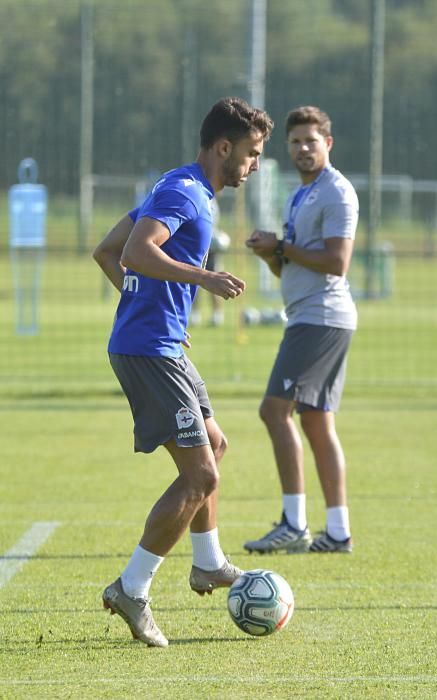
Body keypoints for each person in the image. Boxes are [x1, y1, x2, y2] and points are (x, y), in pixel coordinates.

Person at [93, 97, 273, 647]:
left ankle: (209, 563)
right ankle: (132, 587)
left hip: (160, 342)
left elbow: (107, 251)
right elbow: (137, 253)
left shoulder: (179, 183)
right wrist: (202, 279)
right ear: (224, 147)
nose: (255, 164)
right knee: (201, 478)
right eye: (252, 153)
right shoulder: (184, 191)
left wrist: (154, 309)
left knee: (215, 446)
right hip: (149, 350)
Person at [244, 105, 358, 555]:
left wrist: (282, 246)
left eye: (311, 140)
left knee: (274, 411)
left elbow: (336, 262)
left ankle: (293, 523)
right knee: (315, 422)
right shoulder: (301, 194)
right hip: (310, 315)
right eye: (295, 142)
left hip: (321, 318)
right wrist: (270, 255)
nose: (303, 148)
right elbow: (288, 268)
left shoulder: (337, 193)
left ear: (327, 144)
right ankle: (338, 532)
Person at [190, 197, 230, 327]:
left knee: (215, 280)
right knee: (194, 281)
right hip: (197, 247)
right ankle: (195, 314)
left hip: (211, 249)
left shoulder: (211, 201)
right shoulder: (198, 197)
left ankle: (217, 315)